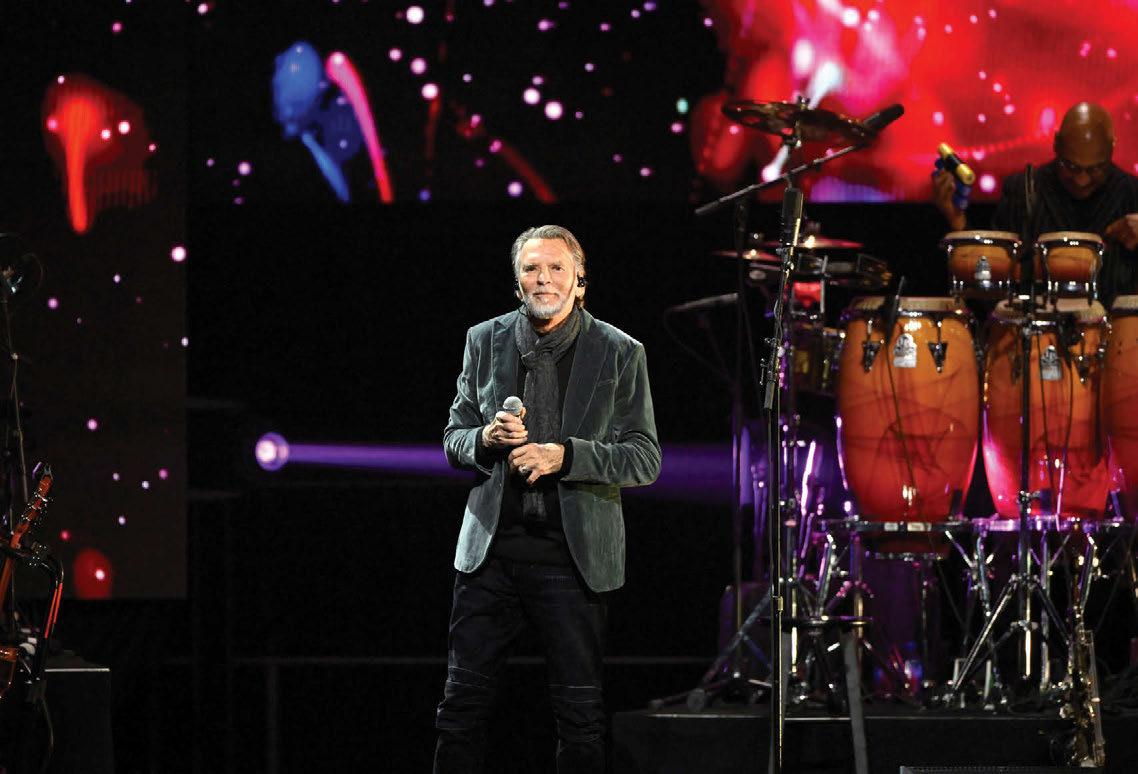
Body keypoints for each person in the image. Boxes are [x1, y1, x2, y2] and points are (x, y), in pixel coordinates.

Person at [434, 224, 661, 773]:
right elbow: (453, 439)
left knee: (579, 719)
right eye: (531, 268)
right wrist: (485, 439)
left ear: (580, 281)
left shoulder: (619, 351)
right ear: (517, 283)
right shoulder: (483, 340)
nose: (544, 279)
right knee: (459, 711)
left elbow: (644, 458)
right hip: (490, 559)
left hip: (570, 559)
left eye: (557, 267)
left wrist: (566, 456)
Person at [933, 101, 1138, 302]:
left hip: (1117, 324)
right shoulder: (1023, 190)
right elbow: (990, 281)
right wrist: (957, 220)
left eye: (1095, 169)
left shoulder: (1132, 194)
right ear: (1056, 143)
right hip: (1036, 323)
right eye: (1071, 166)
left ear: (1112, 148)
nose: (1081, 180)